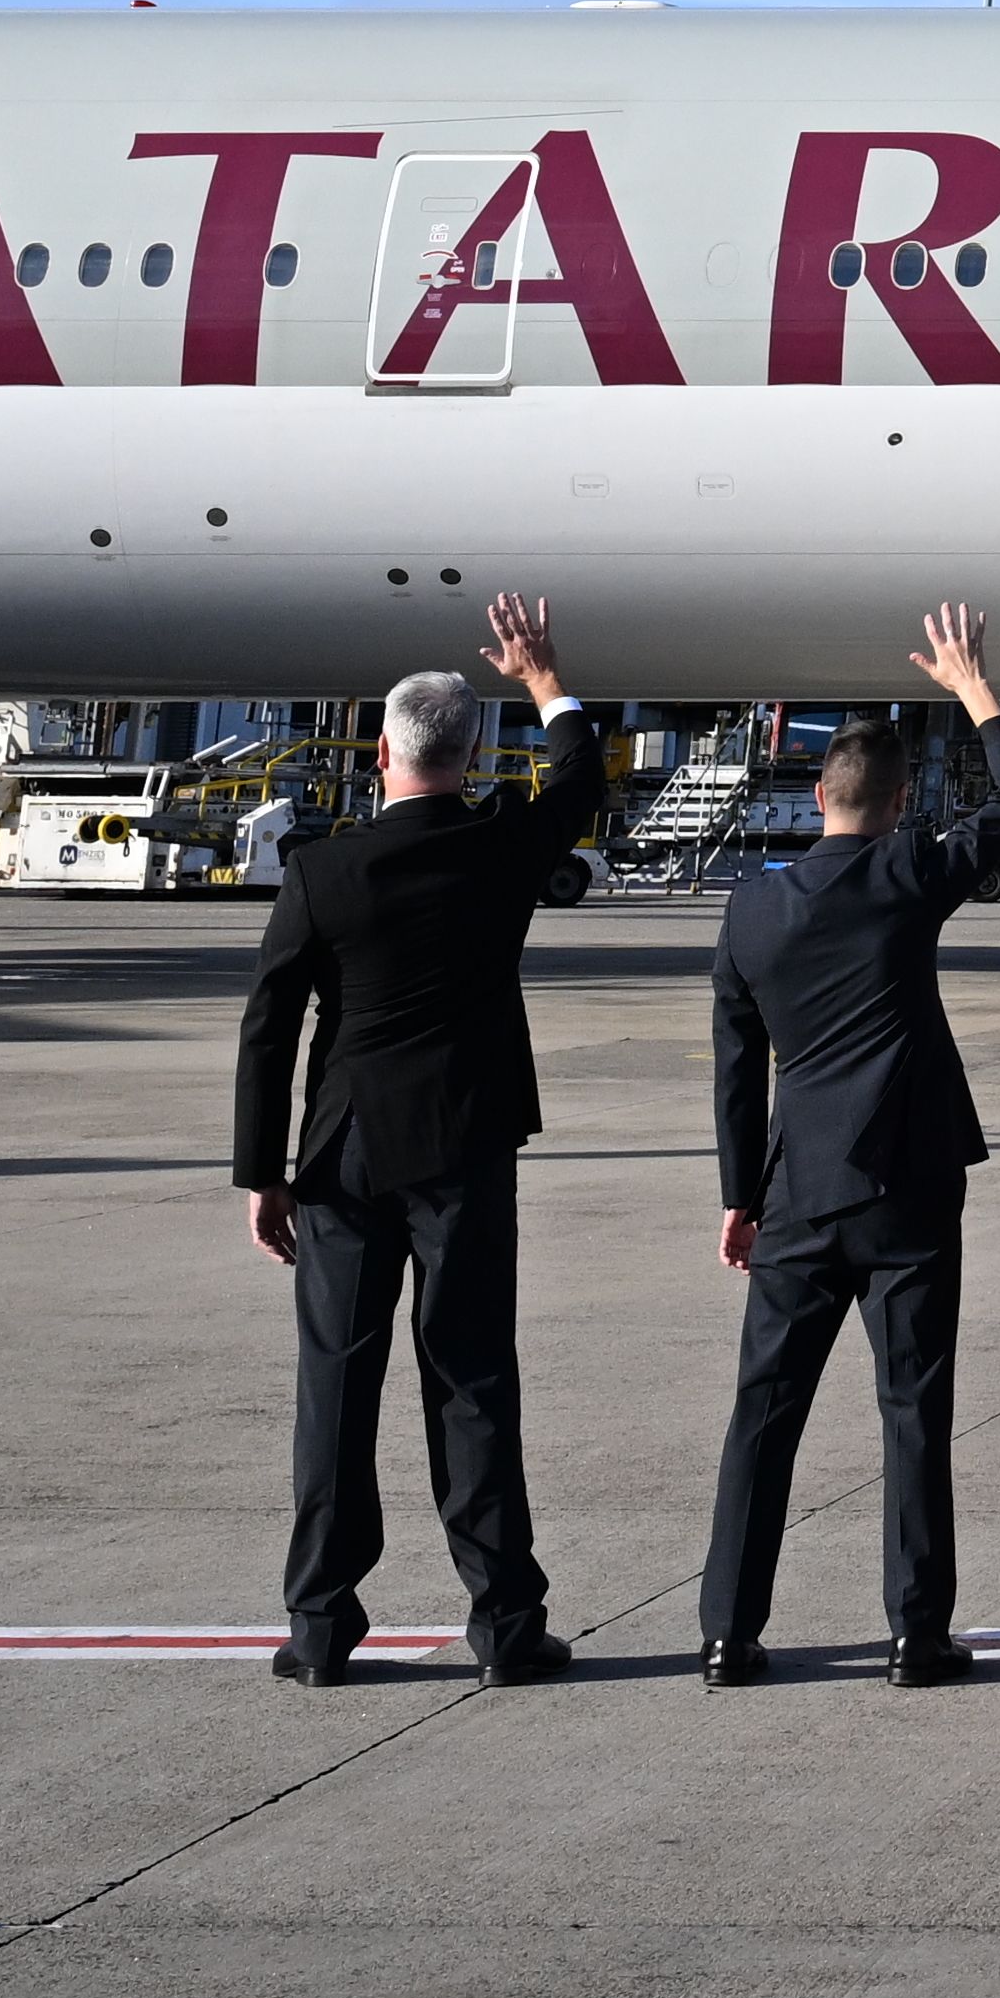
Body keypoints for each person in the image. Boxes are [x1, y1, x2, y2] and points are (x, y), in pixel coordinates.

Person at [225, 594, 624, 1684]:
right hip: (459, 1144)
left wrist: (262, 1171)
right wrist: (545, 681)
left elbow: (269, 1021)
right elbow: (582, 775)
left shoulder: (324, 869)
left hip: (344, 1154)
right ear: (470, 752)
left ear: (384, 754)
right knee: (473, 1379)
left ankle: (318, 1628)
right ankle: (503, 1624)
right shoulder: (502, 846)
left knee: (336, 1389)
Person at [693, 613, 1000, 1686]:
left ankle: (726, 1631)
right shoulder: (906, 875)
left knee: (764, 1411)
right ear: (898, 805)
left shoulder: (753, 907)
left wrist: (737, 1195)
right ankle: (915, 1628)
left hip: (795, 1188)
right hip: (905, 1183)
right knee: (912, 1408)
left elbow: (732, 1060)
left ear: (816, 795)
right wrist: (978, 690)